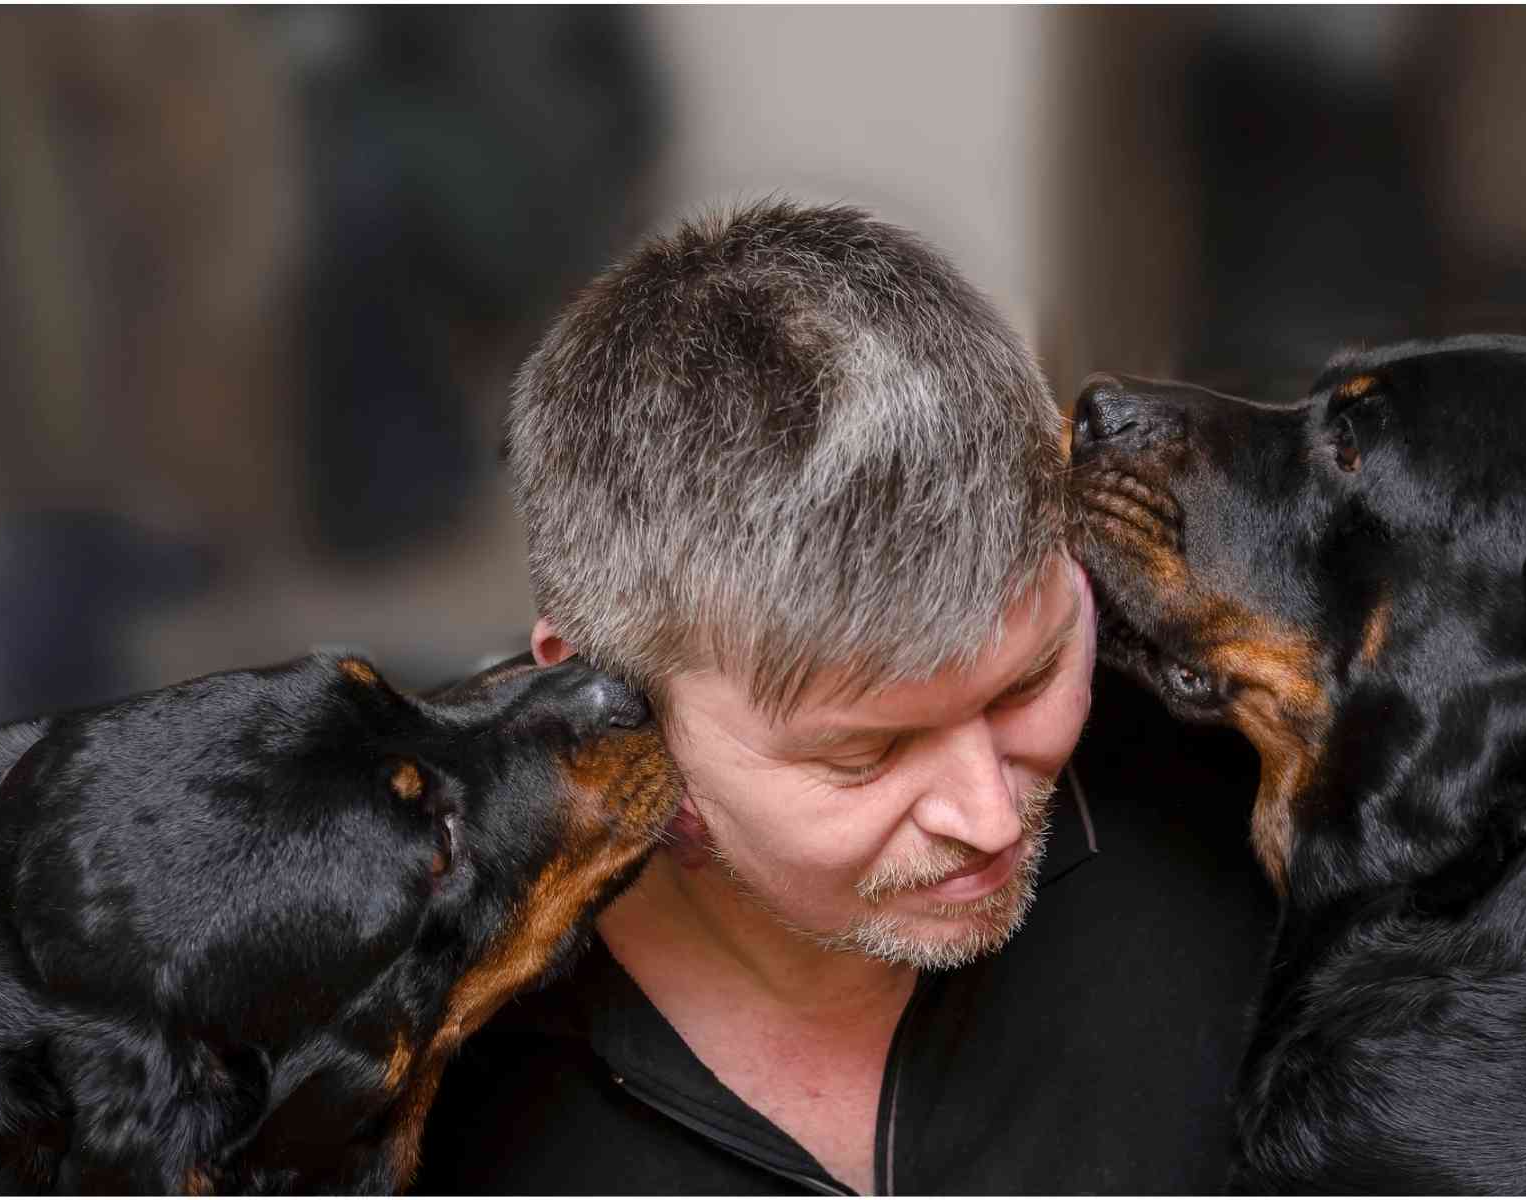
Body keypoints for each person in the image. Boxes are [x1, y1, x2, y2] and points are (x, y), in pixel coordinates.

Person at [418, 201, 1274, 1194]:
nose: (990, 819)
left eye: (1029, 681)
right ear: (595, 690)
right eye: (863, 756)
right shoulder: (385, 1001)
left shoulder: (1256, 800)